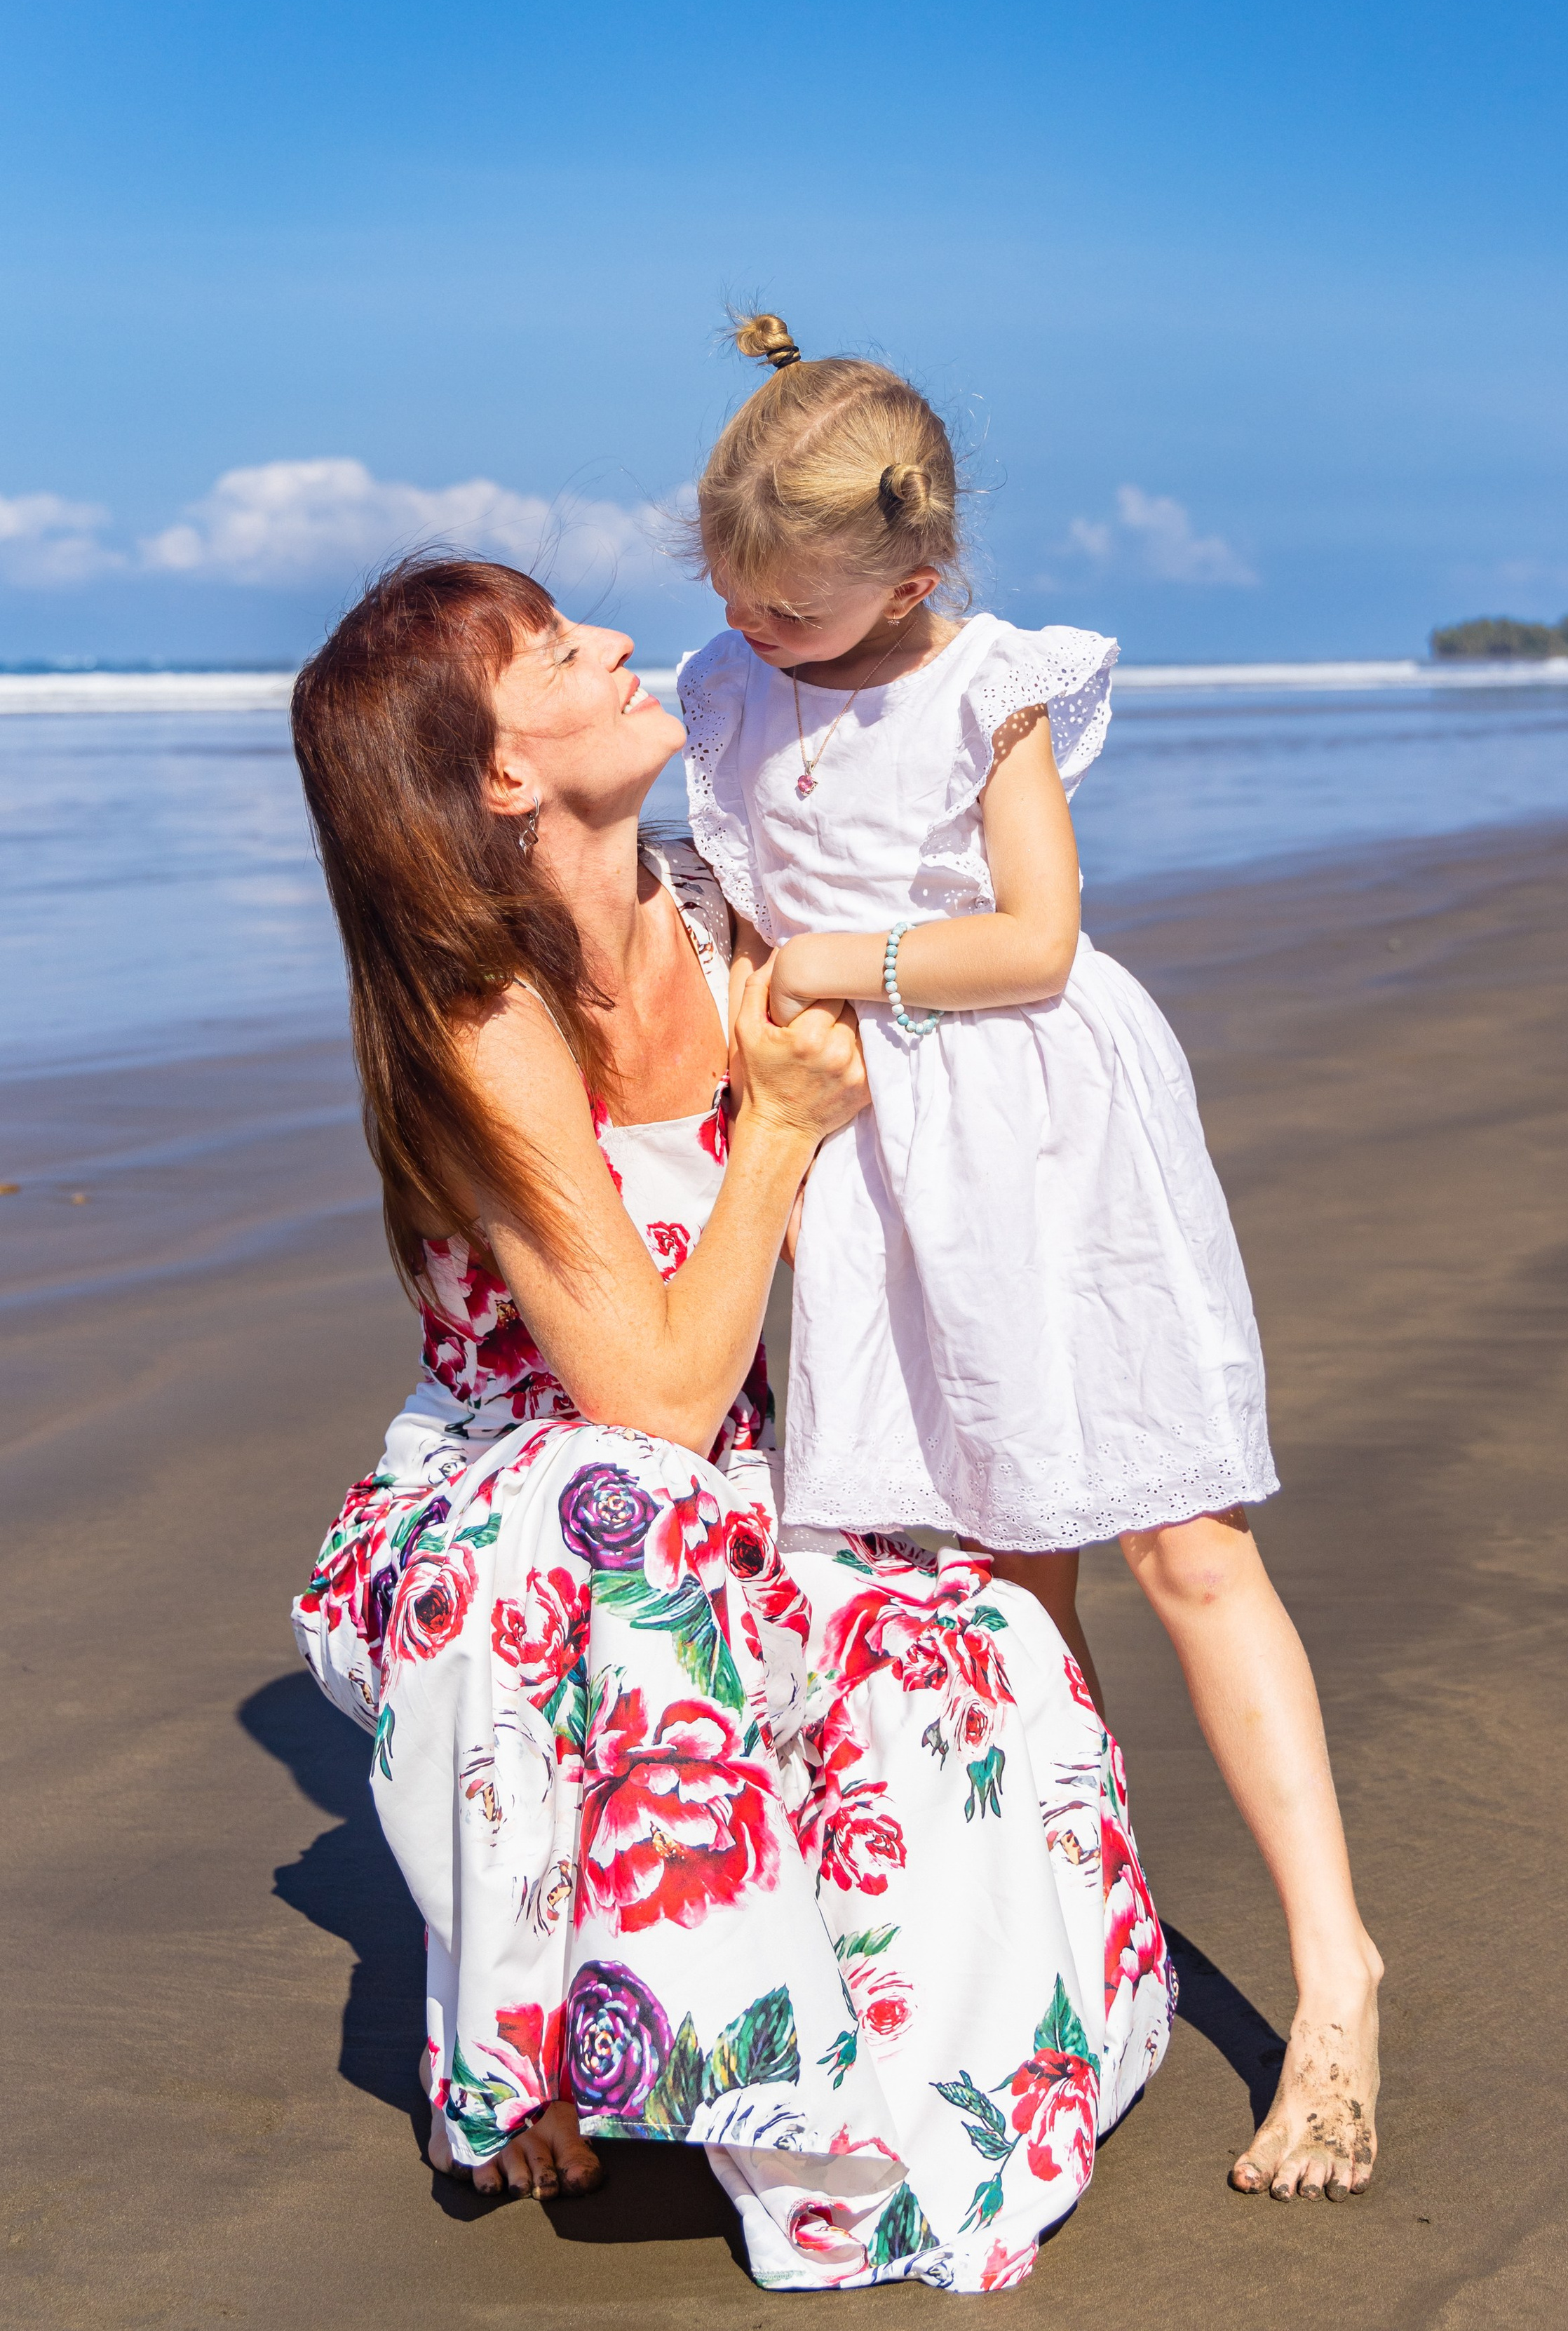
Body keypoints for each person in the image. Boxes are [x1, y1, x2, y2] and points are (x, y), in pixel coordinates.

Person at [288, 556, 1174, 2295]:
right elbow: (653, 1398)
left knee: (958, 1651)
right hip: (498, 1514)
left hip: (739, 1473)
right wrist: (769, 1127)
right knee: (625, 1500)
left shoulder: (722, 909)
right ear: (500, 774)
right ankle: (529, 2043)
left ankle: (840, 2060)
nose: (621, 642)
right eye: (558, 652)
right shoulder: (481, 1017)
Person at [677, 314, 1381, 2200]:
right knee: (993, 1563)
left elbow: (1036, 940)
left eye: (793, 613)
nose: (754, 633)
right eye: (732, 599)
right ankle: (1086, 1921)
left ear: (912, 577)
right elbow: (723, 905)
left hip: (1040, 1130)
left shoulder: (984, 685)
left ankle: (1334, 1977)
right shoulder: (725, 687)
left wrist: (824, 966)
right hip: (866, 1158)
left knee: (1180, 1535)